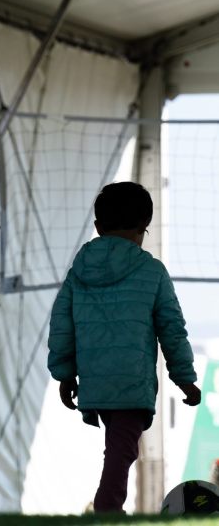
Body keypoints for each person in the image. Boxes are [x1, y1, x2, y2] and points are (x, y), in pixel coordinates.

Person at [48, 181, 201, 514]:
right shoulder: (152, 270)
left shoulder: (78, 272)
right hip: (132, 380)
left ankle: (108, 506)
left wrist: (64, 373)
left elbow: (62, 325)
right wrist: (184, 378)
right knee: (121, 451)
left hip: (95, 379)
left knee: (117, 446)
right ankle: (108, 508)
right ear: (143, 229)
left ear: (98, 227)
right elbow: (172, 329)